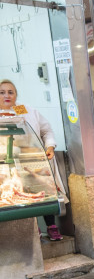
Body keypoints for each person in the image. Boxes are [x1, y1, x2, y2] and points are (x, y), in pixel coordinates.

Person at [0, 79, 66, 240]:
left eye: (11, 92)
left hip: (33, 160)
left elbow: (46, 130)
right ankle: (32, 228)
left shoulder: (26, 110)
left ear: (16, 95)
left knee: (42, 192)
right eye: (2, 92)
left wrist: (50, 146)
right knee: (20, 196)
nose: (6, 96)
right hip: (7, 166)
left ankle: (51, 226)